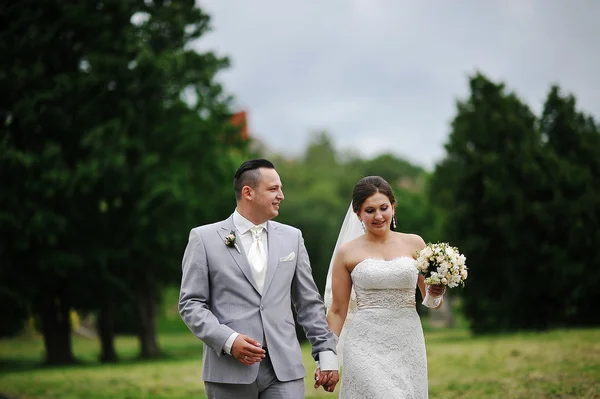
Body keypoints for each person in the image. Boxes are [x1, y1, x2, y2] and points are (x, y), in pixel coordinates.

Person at [178, 159, 339, 398]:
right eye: (273, 189)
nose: (281, 196)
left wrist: (326, 354)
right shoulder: (204, 238)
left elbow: (308, 303)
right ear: (248, 192)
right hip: (229, 371)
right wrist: (229, 341)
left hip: (285, 370)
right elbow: (190, 304)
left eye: (280, 188)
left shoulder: (292, 238)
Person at [324, 176, 446, 398]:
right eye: (370, 210)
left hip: (407, 340)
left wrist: (436, 293)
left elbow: (431, 301)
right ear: (358, 213)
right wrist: (327, 359)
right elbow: (337, 311)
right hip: (364, 344)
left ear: (393, 207)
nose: (378, 216)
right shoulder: (347, 252)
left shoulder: (415, 243)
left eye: (384, 208)